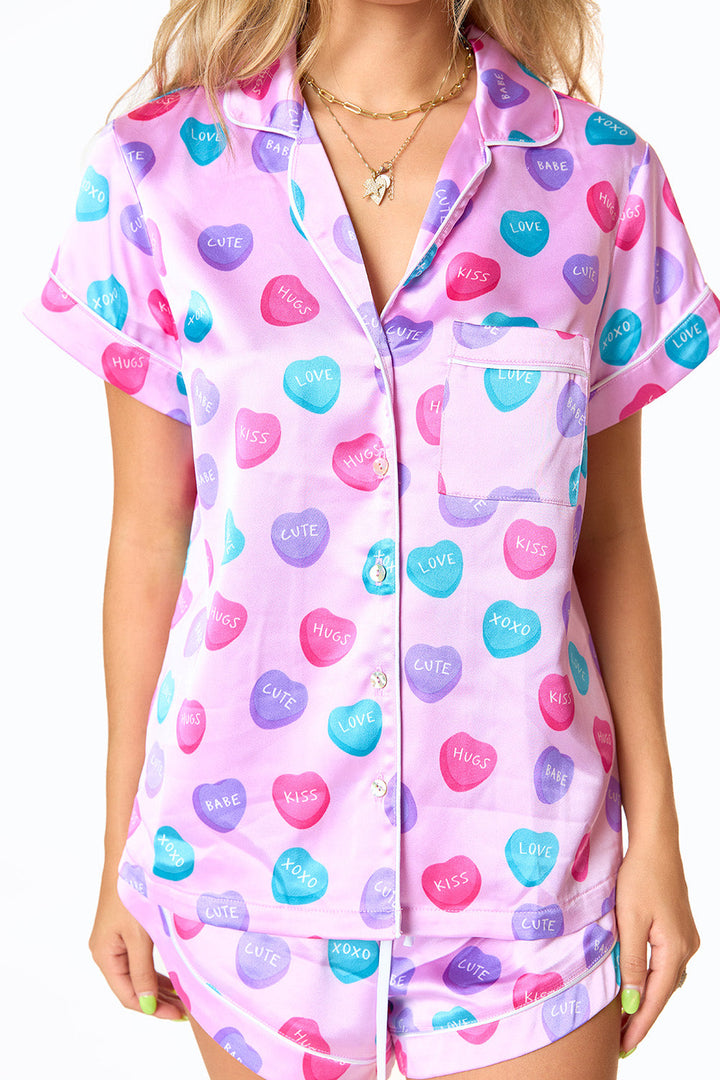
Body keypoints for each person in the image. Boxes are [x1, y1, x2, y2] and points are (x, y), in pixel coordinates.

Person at [23, 0, 715, 1078]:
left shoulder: (599, 175)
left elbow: (611, 536)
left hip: (530, 876)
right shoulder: (155, 172)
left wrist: (657, 836)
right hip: (245, 867)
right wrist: (125, 847)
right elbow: (152, 535)